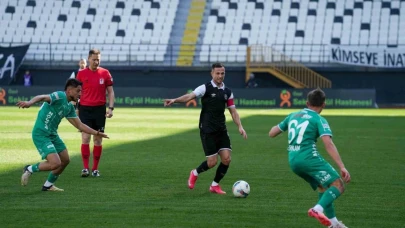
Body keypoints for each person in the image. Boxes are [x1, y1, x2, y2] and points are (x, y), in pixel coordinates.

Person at [268, 88, 350, 228]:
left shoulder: (293, 115)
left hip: (293, 160)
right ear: (324, 104)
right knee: (338, 184)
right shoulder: (319, 119)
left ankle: (334, 224)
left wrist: (285, 126)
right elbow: (328, 144)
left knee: (322, 186)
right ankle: (317, 209)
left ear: (307, 102)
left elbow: (272, 133)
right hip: (308, 158)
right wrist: (342, 166)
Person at [163, 62, 247, 194]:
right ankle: (195, 173)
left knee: (226, 159)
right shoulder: (205, 88)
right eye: (217, 73)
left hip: (221, 129)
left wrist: (240, 127)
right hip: (207, 129)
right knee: (212, 162)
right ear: (212, 73)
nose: (220, 76)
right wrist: (175, 100)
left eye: (222, 73)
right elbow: (189, 96)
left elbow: (233, 111)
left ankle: (214, 185)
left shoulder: (228, 92)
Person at [18, 78, 109, 191]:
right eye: (78, 91)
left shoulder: (69, 107)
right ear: (69, 90)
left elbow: (80, 125)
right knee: (55, 163)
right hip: (41, 134)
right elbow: (42, 97)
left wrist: (97, 133)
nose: (80, 94)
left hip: (52, 134)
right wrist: (30, 102)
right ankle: (29, 169)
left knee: (65, 160)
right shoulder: (60, 96)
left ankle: (48, 185)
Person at [76, 49, 115, 178]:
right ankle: (85, 168)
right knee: (85, 138)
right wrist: (76, 107)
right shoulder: (81, 74)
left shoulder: (105, 73)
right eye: (94, 59)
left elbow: (110, 92)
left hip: (99, 110)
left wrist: (111, 108)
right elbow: (77, 92)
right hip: (85, 110)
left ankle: (95, 169)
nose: (96, 62)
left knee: (98, 139)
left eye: (98, 59)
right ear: (88, 59)